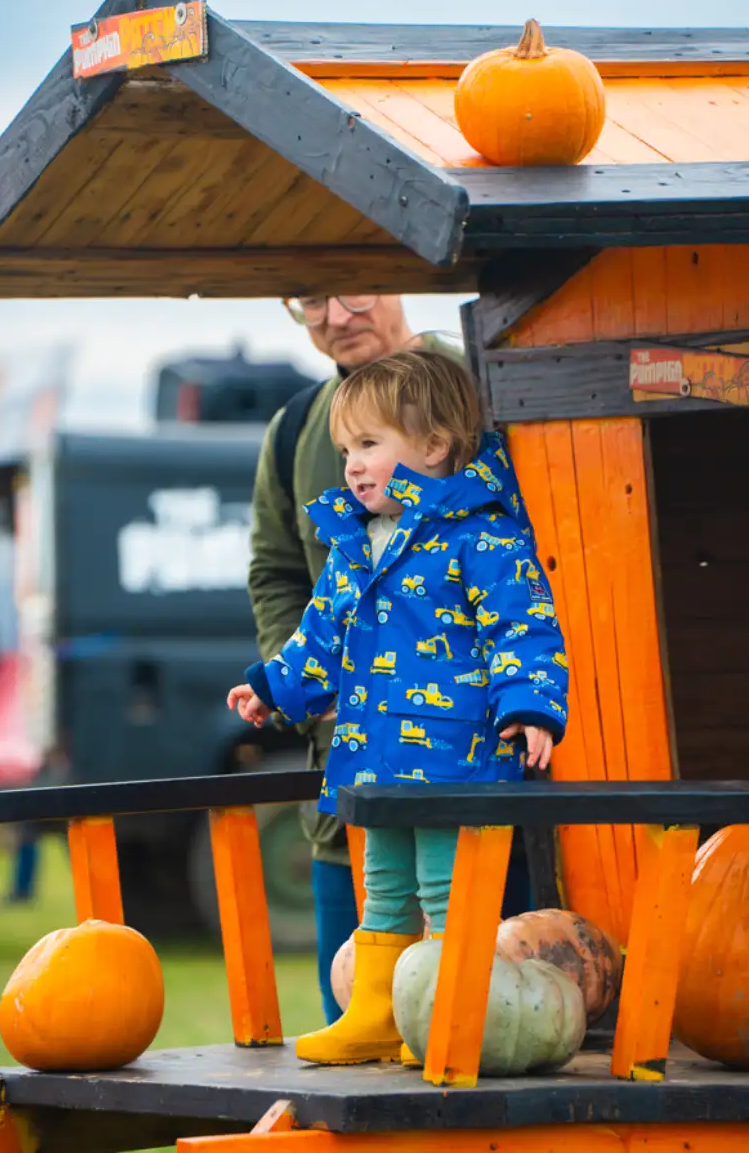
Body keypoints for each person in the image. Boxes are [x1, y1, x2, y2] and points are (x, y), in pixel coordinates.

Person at [230, 349, 569, 1065]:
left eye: (368, 444)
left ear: (434, 446)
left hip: (456, 759)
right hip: (375, 757)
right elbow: (320, 637)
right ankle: (382, 1014)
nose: (352, 464)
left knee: (445, 893)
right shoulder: (357, 544)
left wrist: (531, 707)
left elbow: (523, 627)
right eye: (346, 449)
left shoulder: (483, 534)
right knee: (383, 889)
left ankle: (449, 1017)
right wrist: (273, 687)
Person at [247, 294, 415, 1025]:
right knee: (353, 1023)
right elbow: (279, 574)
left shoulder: (472, 380)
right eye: (311, 297)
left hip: (475, 789)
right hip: (344, 785)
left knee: (477, 1010)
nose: (337, 314)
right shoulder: (292, 430)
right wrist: (296, 685)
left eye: (357, 286)